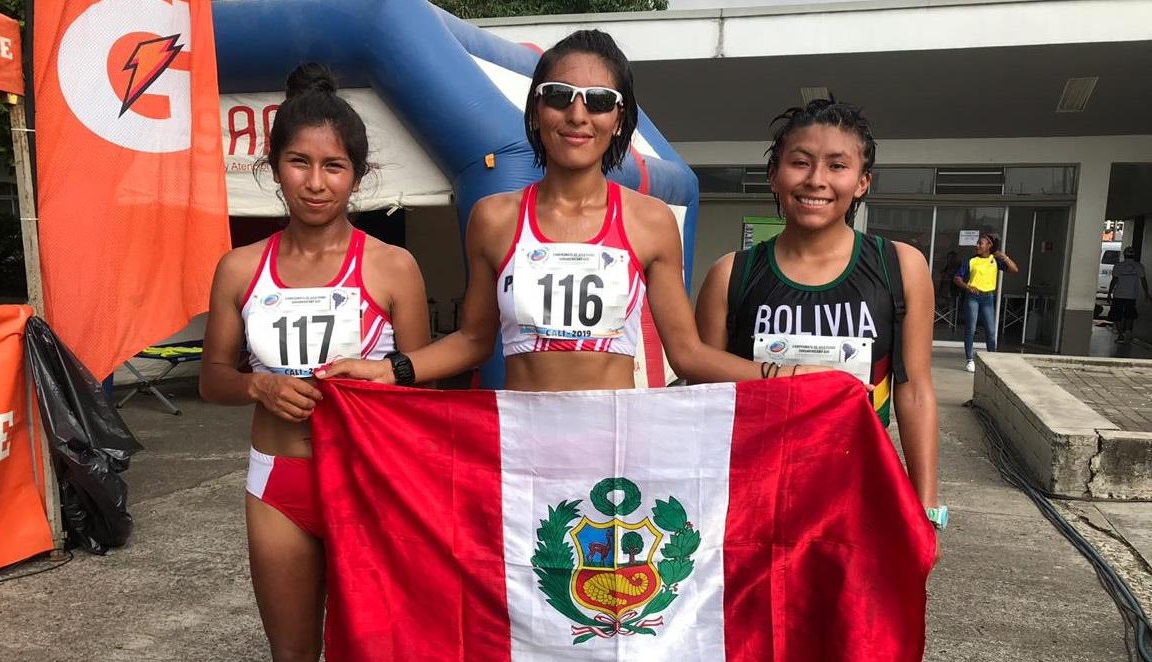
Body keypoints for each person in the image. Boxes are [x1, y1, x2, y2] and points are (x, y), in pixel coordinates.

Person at [316, 29, 805, 396]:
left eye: (598, 101)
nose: (577, 114)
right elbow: (473, 340)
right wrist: (391, 368)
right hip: (522, 451)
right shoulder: (492, 218)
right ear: (536, 109)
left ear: (619, 120)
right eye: (558, 96)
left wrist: (790, 377)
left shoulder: (649, 221)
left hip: (615, 450)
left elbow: (689, 355)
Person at [198, 63, 430, 662]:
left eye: (335, 166)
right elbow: (212, 379)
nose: (316, 183)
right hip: (279, 481)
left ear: (358, 176)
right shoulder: (240, 267)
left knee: (378, 651)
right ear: (273, 169)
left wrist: (382, 382)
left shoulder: (393, 266)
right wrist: (258, 388)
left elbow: (428, 390)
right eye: (299, 162)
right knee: (293, 653)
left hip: (371, 483)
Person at [693, 99, 942, 535]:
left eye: (837, 166)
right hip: (752, 501)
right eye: (800, 162)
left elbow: (915, 390)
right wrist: (781, 376)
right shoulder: (731, 274)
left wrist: (925, 510)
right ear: (774, 175)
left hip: (861, 494)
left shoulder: (901, 267)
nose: (816, 180)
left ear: (862, 182)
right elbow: (699, 390)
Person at [953, 232, 1018, 372]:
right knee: (971, 329)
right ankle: (969, 359)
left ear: (989, 246)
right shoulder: (971, 260)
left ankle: (992, 359)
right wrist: (968, 287)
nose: (977, 245)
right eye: (977, 243)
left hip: (988, 298)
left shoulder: (996, 260)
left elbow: (1014, 269)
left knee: (990, 330)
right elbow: (957, 278)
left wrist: (1005, 257)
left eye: (980, 243)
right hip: (973, 297)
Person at [1108, 245, 1152, 344]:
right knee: (1130, 315)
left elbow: (1114, 280)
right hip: (1131, 296)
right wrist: (1146, 293)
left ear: (1124, 255)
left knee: (1117, 316)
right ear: (1134, 256)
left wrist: (1109, 293)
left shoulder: (1118, 266)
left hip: (1119, 294)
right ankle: (1127, 331)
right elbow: (1143, 281)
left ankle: (1120, 335)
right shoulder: (1139, 266)